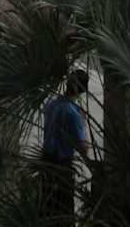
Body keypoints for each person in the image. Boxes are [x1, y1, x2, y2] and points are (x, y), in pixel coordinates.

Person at [40, 69, 89, 221]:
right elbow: (83, 149)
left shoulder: (50, 105)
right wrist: (83, 122)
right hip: (62, 167)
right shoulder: (74, 113)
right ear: (83, 90)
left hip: (45, 163)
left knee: (46, 210)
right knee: (63, 212)